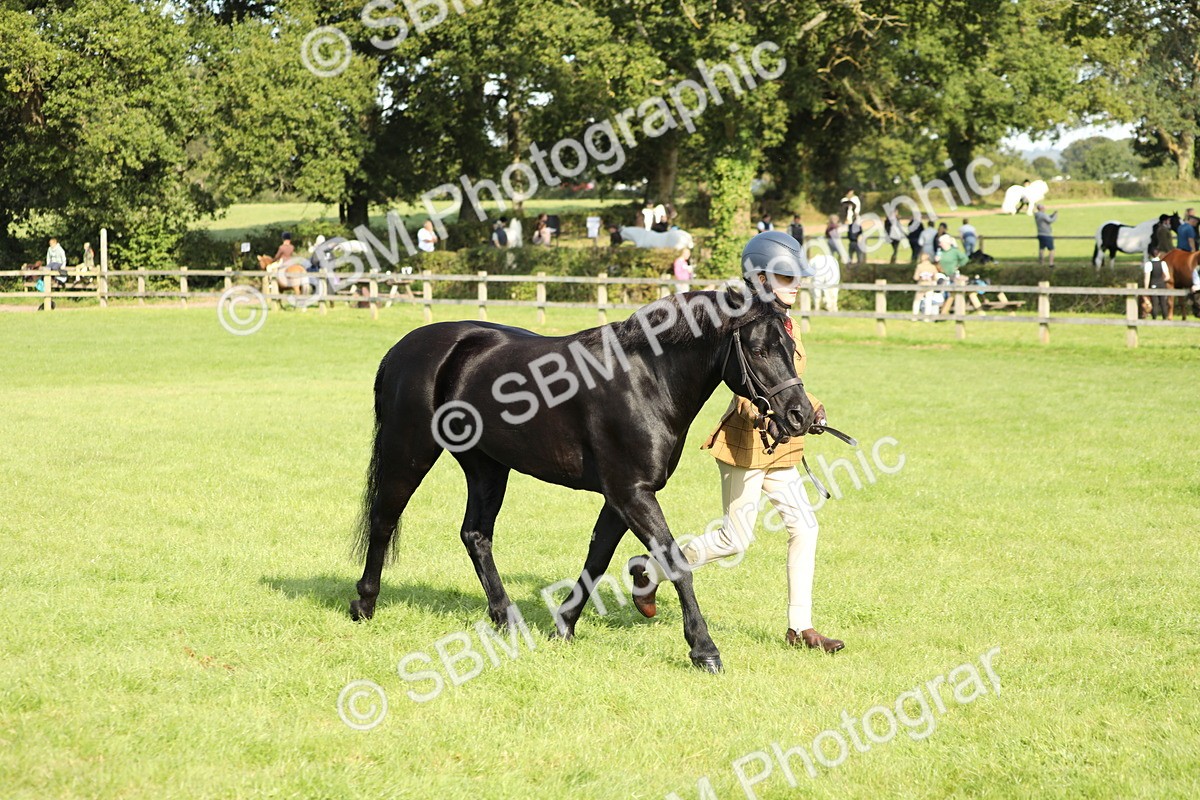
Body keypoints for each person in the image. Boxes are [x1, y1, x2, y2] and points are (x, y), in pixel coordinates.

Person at [626, 230, 844, 653]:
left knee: (805, 526)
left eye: (797, 276)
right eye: (785, 276)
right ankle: (650, 570)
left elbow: (784, 380)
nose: (796, 283)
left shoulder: (785, 321)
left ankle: (800, 627)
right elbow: (746, 381)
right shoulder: (742, 321)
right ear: (759, 278)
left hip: (781, 446)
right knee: (734, 540)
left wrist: (810, 406)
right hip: (746, 442)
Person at [1144, 246, 1171, 320]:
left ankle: (1154, 318)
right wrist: (1162, 281)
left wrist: (1145, 289)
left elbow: (1147, 278)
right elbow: (1168, 277)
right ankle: (1165, 317)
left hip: (1153, 284)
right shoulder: (1163, 263)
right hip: (1162, 284)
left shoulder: (1148, 264)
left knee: (1154, 302)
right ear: (1159, 254)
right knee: (1163, 302)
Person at [912, 252, 942, 318]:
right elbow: (935, 277)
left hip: (921, 285)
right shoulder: (932, 267)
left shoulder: (919, 266)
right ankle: (927, 317)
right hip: (929, 285)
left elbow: (915, 277)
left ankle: (915, 316)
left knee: (917, 301)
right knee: (928, 301)